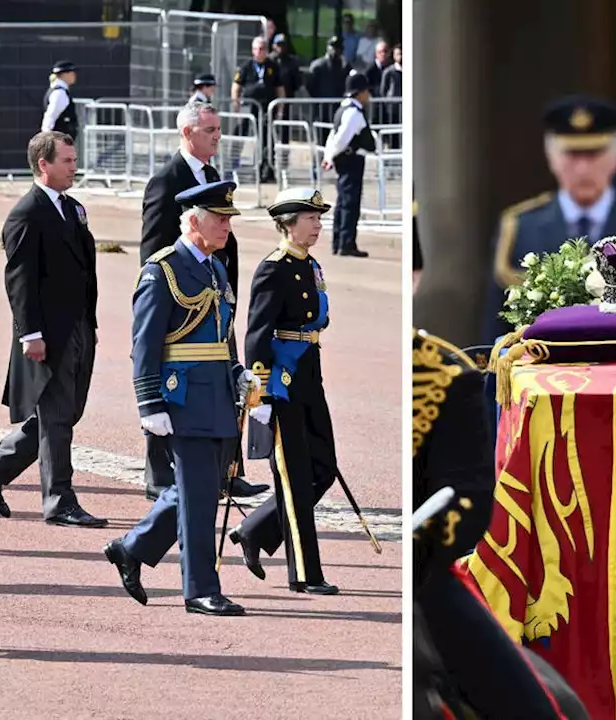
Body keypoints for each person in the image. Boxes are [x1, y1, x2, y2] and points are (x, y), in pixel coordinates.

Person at [104, 180, 261, 617]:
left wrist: (237, 375)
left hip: (216, 396)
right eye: (220, 218)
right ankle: (199, 588)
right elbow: (146, 343)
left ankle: (130, 548)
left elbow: (221, 337)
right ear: (194, 221)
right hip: (182, 398)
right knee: (198, 499)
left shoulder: (215, 268)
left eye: (229, 218)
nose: (227, 226)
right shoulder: (163, 270)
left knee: (198, 489)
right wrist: (149, 404)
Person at [411, 328, 586, 719]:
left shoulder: (448, 373)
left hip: (424, 575)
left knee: (531, 709)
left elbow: (468, 499)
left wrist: (417, 548)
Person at [0, 131, 105, 528]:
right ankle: (59, 500)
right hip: (48, 331)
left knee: (66, 412)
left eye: (74, 160)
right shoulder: (26, 213)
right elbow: (20, 280)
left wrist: (89, 321)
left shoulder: (72, 208)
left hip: (77, 324)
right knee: (59, 417)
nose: (73, 167)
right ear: (43, 164)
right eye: (66, 160)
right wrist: (31, 334)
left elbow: (84, 271)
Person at [132, 101, 263, 501]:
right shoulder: (166, 180)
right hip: (182, 303)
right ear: (188, 133)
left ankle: (228, 469)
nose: (217, 137)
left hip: (215, 298)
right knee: (171, 383)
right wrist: (170, 296)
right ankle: (158, 474)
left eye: (218, 130)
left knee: (222, 382)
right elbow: (154, 249)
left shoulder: (210, 176)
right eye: (210, 131)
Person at [228, 187, 340, 594]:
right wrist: (258, 392)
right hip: (282, 383)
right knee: (293, 476)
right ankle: (306, 574)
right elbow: (257, 332)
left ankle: (255, 529)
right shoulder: (273, 268)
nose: (318, 225)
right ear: (289, 224)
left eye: (319, 218)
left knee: (323, 467)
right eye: (311, 218)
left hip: (310, 375)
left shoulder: (311, 266)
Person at [482, 95, 616, 343]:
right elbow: (497, 329)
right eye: (572, 155)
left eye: (594, 154)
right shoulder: (521, 227)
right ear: (551, 157)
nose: (583, 169)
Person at [322, 73, 374, 258]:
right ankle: (346, 243)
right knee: (350, 203)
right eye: (366, 91)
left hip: (344, 160)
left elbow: (332, 136)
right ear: (359, 92)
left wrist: (329, 156)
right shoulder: (353, 112)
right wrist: (331, 155)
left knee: (343, 202)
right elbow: (341, 138)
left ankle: (339, 242)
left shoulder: (343, 109)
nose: (368, 95)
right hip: (351, 161)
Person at [231, 36, 284, 184]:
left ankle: (266, 170)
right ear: (253, 50)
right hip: (249, 107)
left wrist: (280, 110)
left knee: (266, 140)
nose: (259, 51)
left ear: (267, 51)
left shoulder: (273, 66)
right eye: (257, 49)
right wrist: (236, 107)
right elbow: (236, 86)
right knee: (240, 135)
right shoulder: (245, 66)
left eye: (262, 49)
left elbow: (279, 89)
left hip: (267, 108)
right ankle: (232, 166)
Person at [41, 61, 79, 140]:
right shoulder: (59, 93)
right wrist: (47, 137)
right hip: (59, 139)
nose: (74, 75)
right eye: (72, 73)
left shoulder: (59, 90)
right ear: (65, 74)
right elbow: (51, 115)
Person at [270, 34, 302, 101]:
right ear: (273, 46)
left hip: (287, 97)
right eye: (279, 44)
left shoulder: (292, 62)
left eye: (283, 45)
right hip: (270, 97)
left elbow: (297, 82)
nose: (281, 47)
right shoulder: (268, 60)